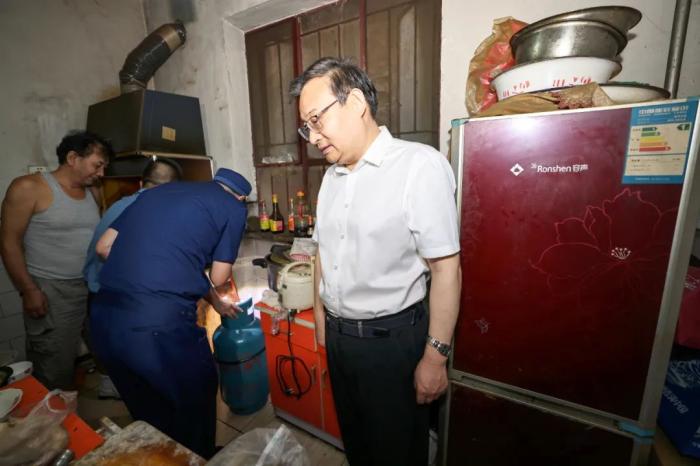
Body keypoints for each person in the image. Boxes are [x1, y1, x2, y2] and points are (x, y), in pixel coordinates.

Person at [289, 57, 462, 465]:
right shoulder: (331, 178)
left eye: (316, 120)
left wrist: (435, 357)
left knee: (396, 453)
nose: (312, 137)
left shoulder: (418, 166)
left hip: (392, 344)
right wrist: (322, 324)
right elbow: (322, 252)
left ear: (354, 103)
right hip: (340, 341)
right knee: (359, 447)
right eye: (306, 127)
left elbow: (446, 269)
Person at [89, 168, 251, 459]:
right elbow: (218, 277)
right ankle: (198, 458)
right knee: (196, 396)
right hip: (157, 326)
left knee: (148, 408)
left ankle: (165, 457)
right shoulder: (234, 207)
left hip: (104, 320)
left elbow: (103, 248)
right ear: (240, 197)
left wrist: (214, 302)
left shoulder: (154, 194)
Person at [0, 131, 112, 390]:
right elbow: (8, 243)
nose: (102, 173)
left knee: (104, 343)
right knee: (53, 360)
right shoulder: (28, 188)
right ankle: (53, 409)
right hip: (52, 290)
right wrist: (29, 290)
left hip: (91, 285)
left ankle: (107, 388)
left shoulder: (93, 190)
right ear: (73, 158)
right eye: (97, 165)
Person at [82, 157, 182, 399]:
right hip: (116, 295)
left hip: (97, 291)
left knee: (117, 352)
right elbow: (115, 253)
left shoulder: (121, 204)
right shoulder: (145, 210)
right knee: (137, 357)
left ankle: (117, 386)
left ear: (142, 182)